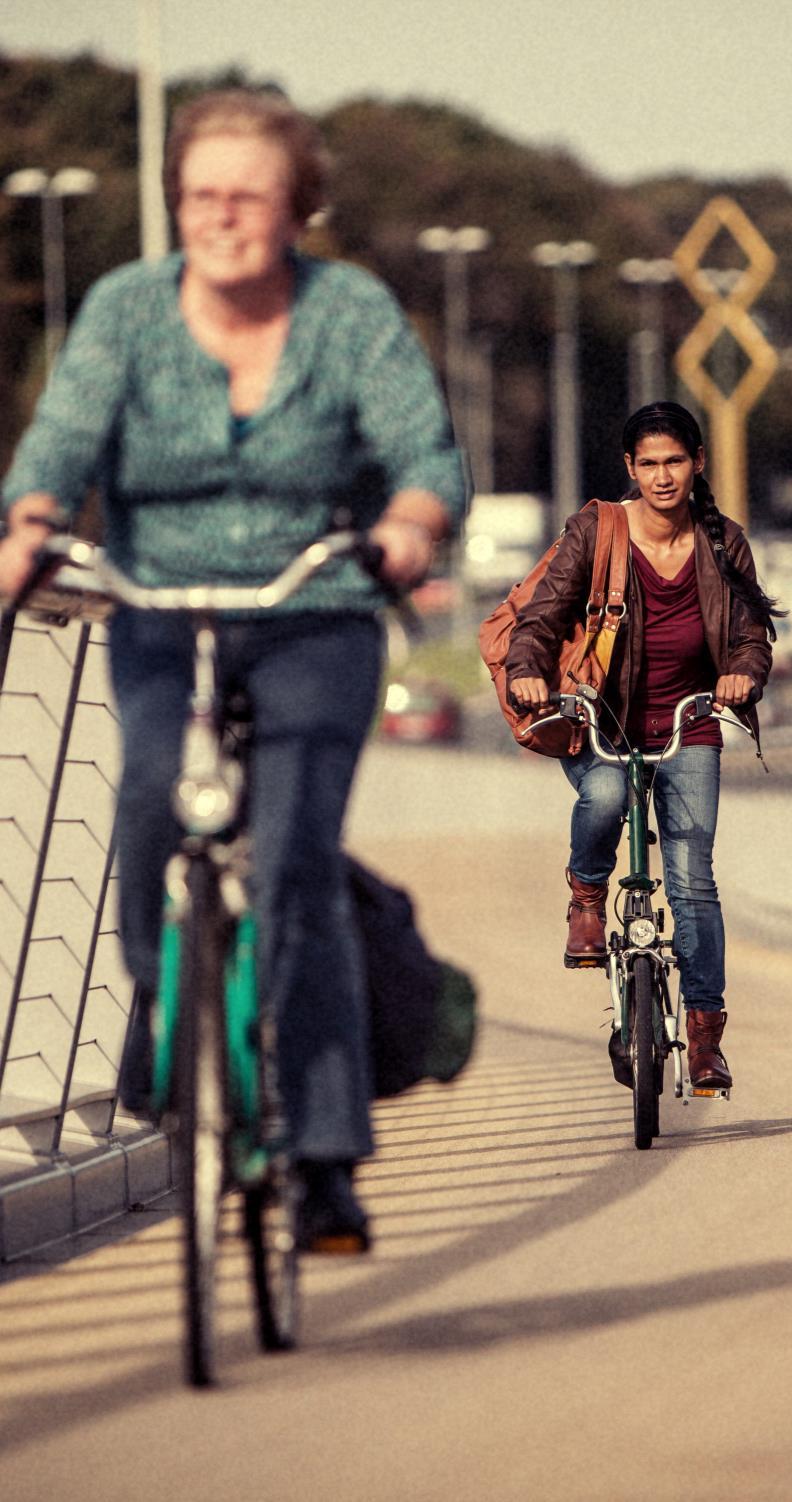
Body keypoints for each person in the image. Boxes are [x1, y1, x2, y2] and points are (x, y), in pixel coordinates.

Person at [0, 89, 466, 1252]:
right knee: (153, 803)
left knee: (298, 865)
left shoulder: (347, 311)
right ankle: (169, 1028)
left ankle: (319, 1160)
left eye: (246, 197)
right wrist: (30, 525)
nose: (220, 218)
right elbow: (58, 445)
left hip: (315, 611)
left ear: (294, 207)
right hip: (162, 609)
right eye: (199, 195)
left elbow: (423, 454)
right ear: (175, 204)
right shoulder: (126, 312)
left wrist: (408, 523)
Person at [505, 401, 779, 1090]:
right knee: (600, 793)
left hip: (692, 721)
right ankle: (588, 896)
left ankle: (706, 1035)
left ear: (698, 464)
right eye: (649, 463)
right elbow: (543, 615)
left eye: (675, 462)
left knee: (692, 883)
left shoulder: (724, 542)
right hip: (604, 717)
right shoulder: (597, 530)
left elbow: (750, 631)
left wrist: (744, 672)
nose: (662, 477)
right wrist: (528, 671)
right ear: (630, 468)